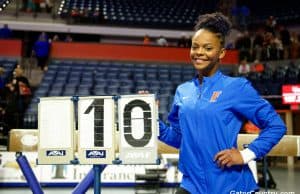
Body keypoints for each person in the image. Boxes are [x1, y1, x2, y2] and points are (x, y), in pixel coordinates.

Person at [158, 12, 286, 194]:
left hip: (230, 185)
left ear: (221, 53)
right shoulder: (183, 91)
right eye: (195, 47)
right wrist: (151, 122)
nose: (199, 52)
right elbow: (180, 139)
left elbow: (276, 126)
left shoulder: (237, 88)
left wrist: (245, 155)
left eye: (208, 48)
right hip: (192, 185)